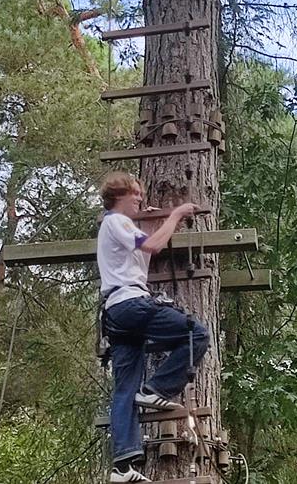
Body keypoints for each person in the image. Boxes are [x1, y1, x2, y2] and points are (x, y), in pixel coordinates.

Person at [97, 171, 210, 484]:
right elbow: (153, 247)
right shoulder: (115, 220)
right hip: (130, 304)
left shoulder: (118, 228)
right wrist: (174, 216)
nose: (140, 199)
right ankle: (156, 389)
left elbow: (140, 251)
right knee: (195, 332)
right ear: (120, 195)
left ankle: (122, 468)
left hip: (117, 315)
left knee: (124, 390)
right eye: (135, 194)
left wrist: (147, 224)